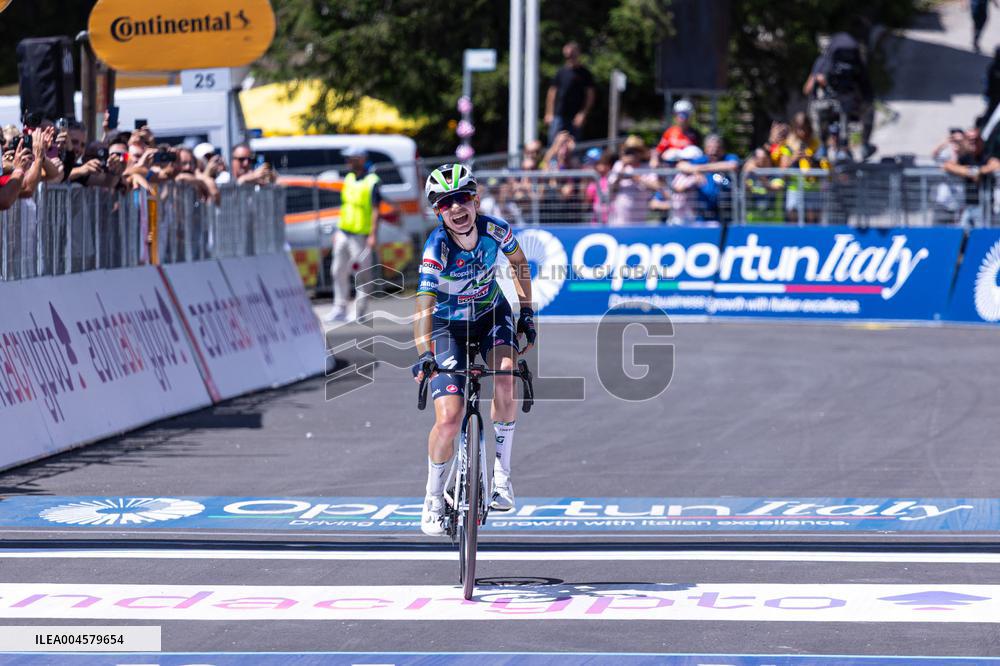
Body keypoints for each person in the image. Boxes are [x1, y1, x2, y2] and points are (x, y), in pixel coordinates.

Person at [412, 163, 535, 536]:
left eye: (462, 198)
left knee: (505, 380)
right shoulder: (438, 246)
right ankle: (433, 496)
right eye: (446, 202)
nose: (456, 208)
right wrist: (423, 352)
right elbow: (424, 305)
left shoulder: (495, 229)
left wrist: (526, 311)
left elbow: (518, 263)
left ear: (476, 200)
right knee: (449, 418)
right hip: (447, 325)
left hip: (490, 314)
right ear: (438, 211)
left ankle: (501, 476)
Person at [326, 146, 380, 322]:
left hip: (360, 235)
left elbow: (375, 210)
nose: (348, 162)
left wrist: (372, 234)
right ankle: (339, 307)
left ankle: (359, 311)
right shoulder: (348, 178)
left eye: (351, 158)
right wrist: (337, 230)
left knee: (361, 274)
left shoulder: (372, 181)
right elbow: (345, 206)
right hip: (344, 232)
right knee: (337, 270)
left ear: (361, 159)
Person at [803, 31, 876, 160]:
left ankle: (826, 146)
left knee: (820, 108)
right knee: (865, 109)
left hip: (840, 105)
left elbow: (807, 89)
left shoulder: (824, 61)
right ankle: (860, 145)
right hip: (838, 105)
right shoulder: (854, 61)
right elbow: (867, 88)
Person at [544, 41, 596, 144]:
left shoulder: (585, 73)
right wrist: (549, 113)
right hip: (559, 115)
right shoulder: (561, 72)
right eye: (568, 55)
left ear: (578, 54)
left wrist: (583, 113)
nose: (570, 57)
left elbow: (590, 96)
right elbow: (552, 93)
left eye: (572, 55)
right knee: (553, 143)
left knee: (574, 145)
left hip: (575, 116)